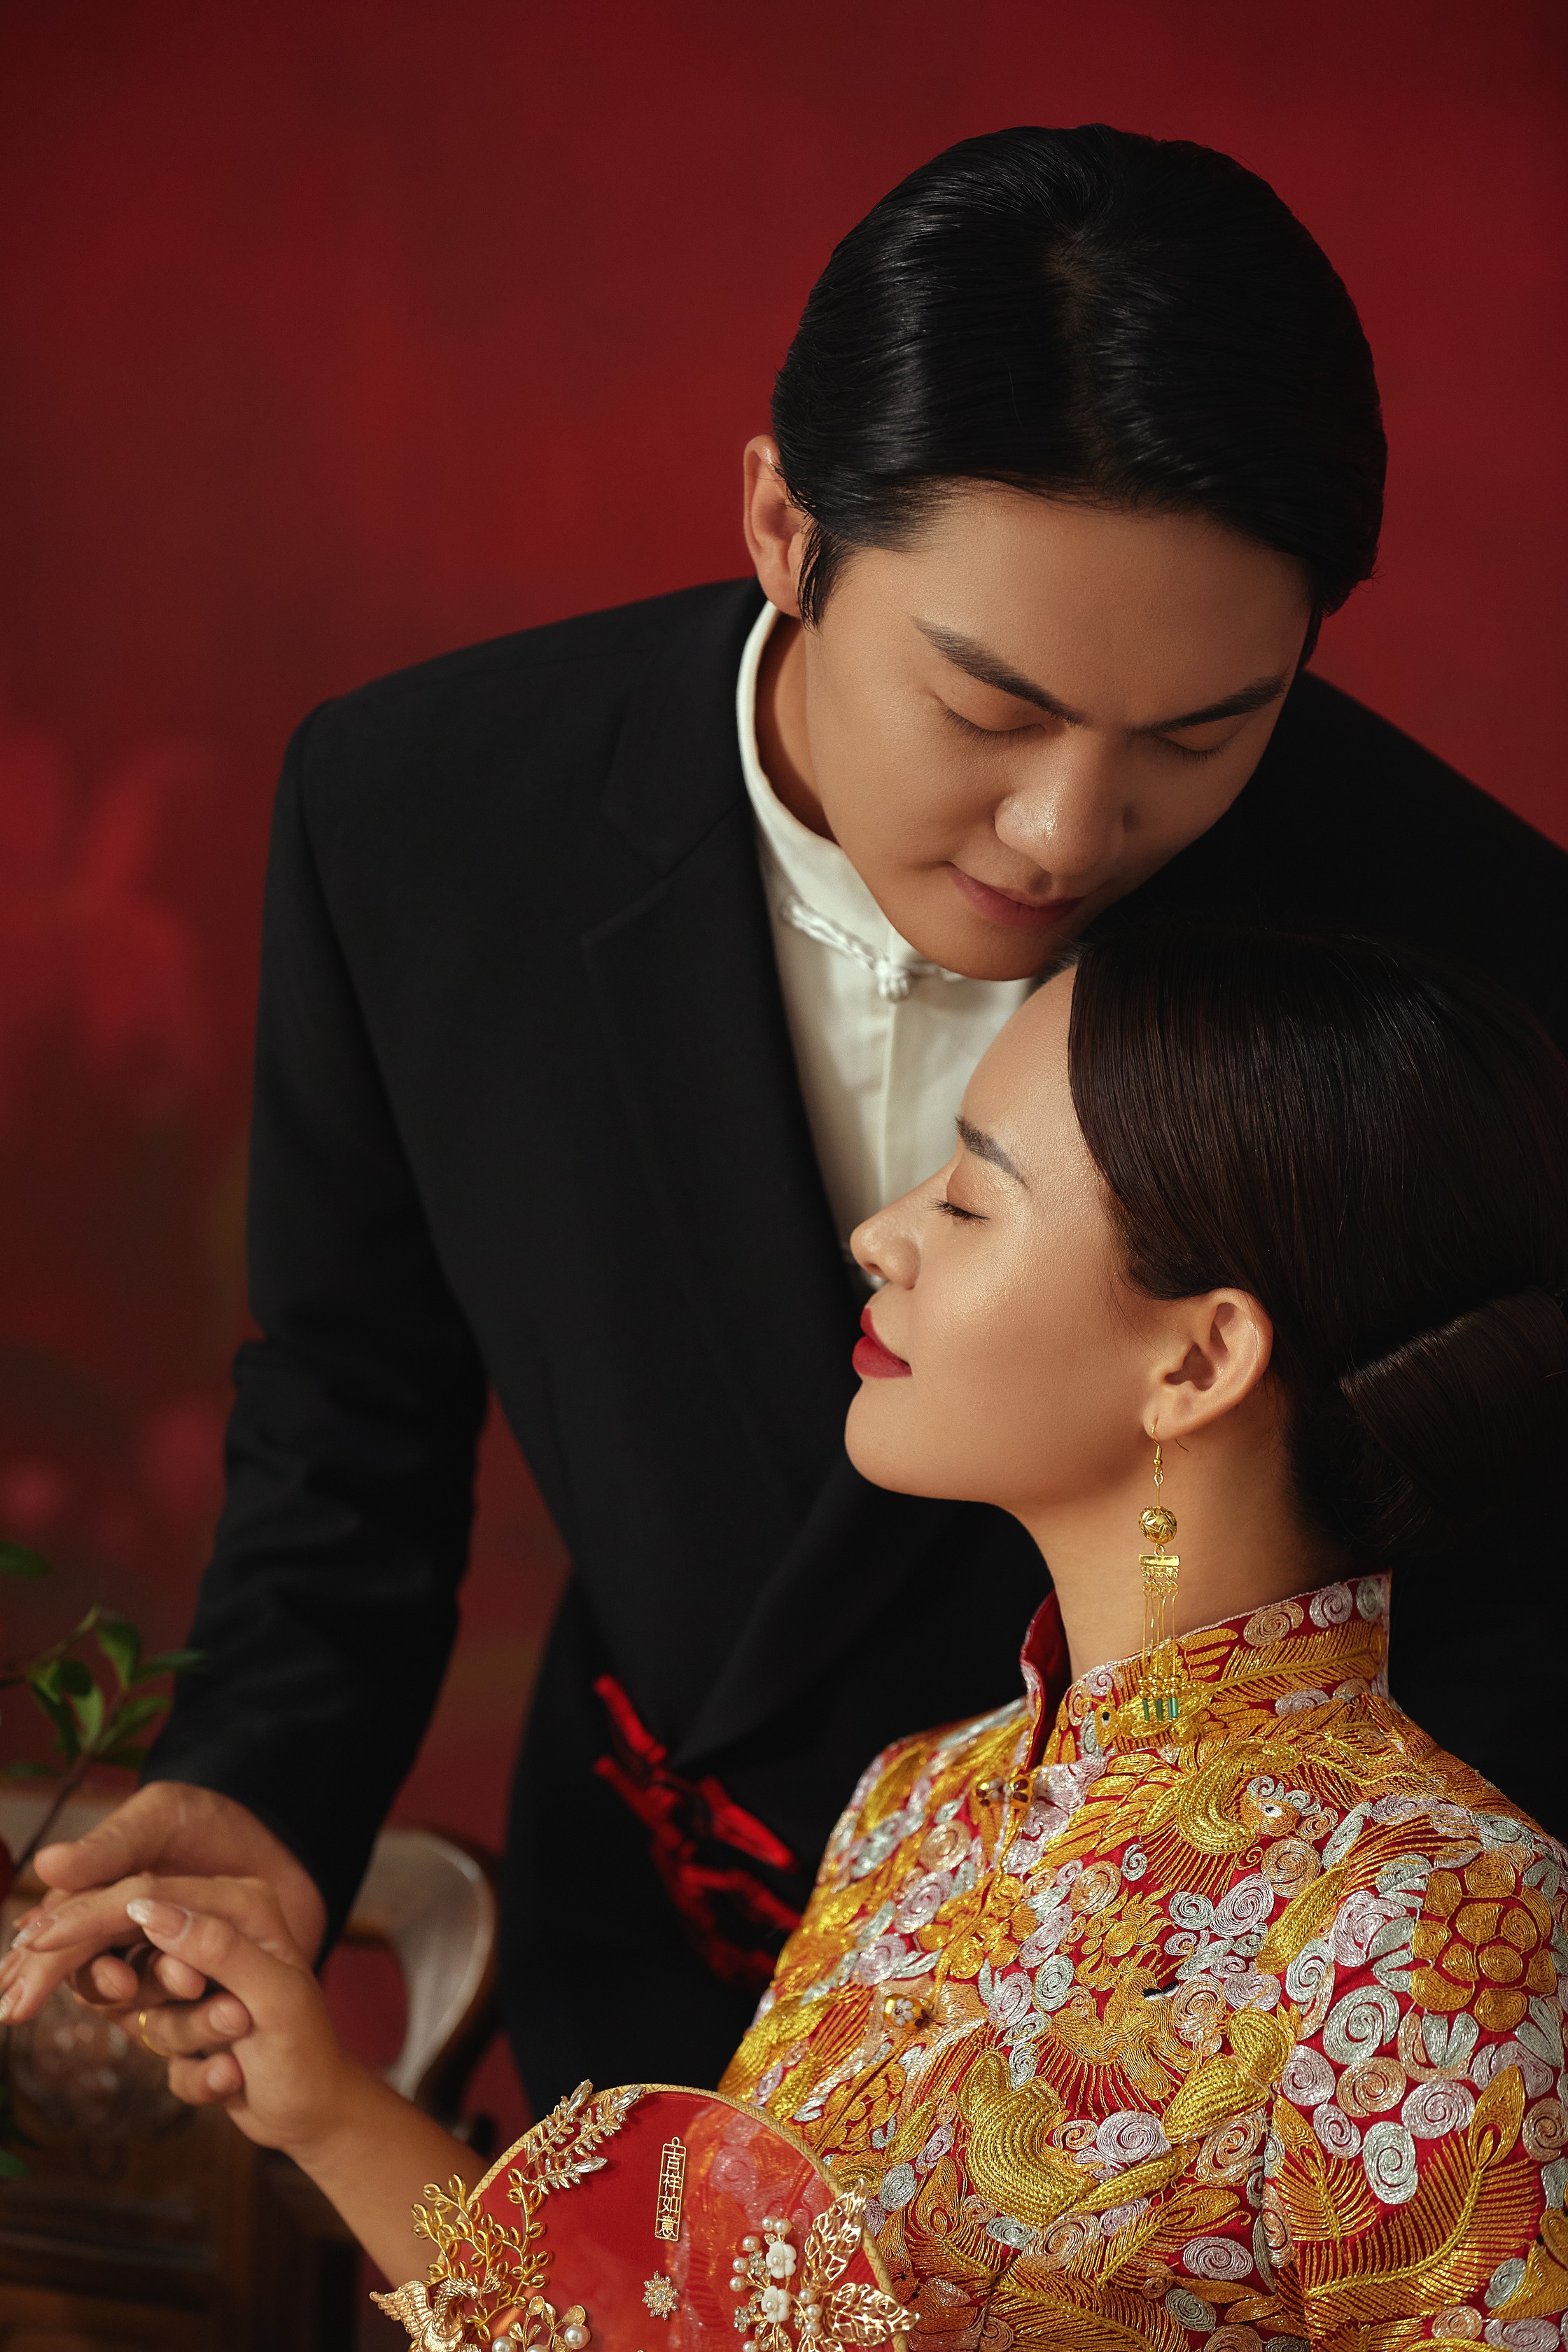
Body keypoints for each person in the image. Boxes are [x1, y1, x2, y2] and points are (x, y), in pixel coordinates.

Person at [10, 125, 1568, 2112]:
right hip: (655, 1968)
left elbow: (1516, 1584)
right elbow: (350, 1404)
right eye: (988, 709)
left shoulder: (1473, 941)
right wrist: (265, 1789)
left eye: (1202, 733)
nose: (1067, 832)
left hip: (1213, 2067)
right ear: (782, 524)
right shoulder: (421, 814)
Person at [8, 925, 1568, 2350]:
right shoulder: (919, 1803)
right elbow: (677, 2329)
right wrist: (319, 2098)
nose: (884, 1234)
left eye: (969, 1199)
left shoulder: (1431, 1912)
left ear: (1199, 1358)